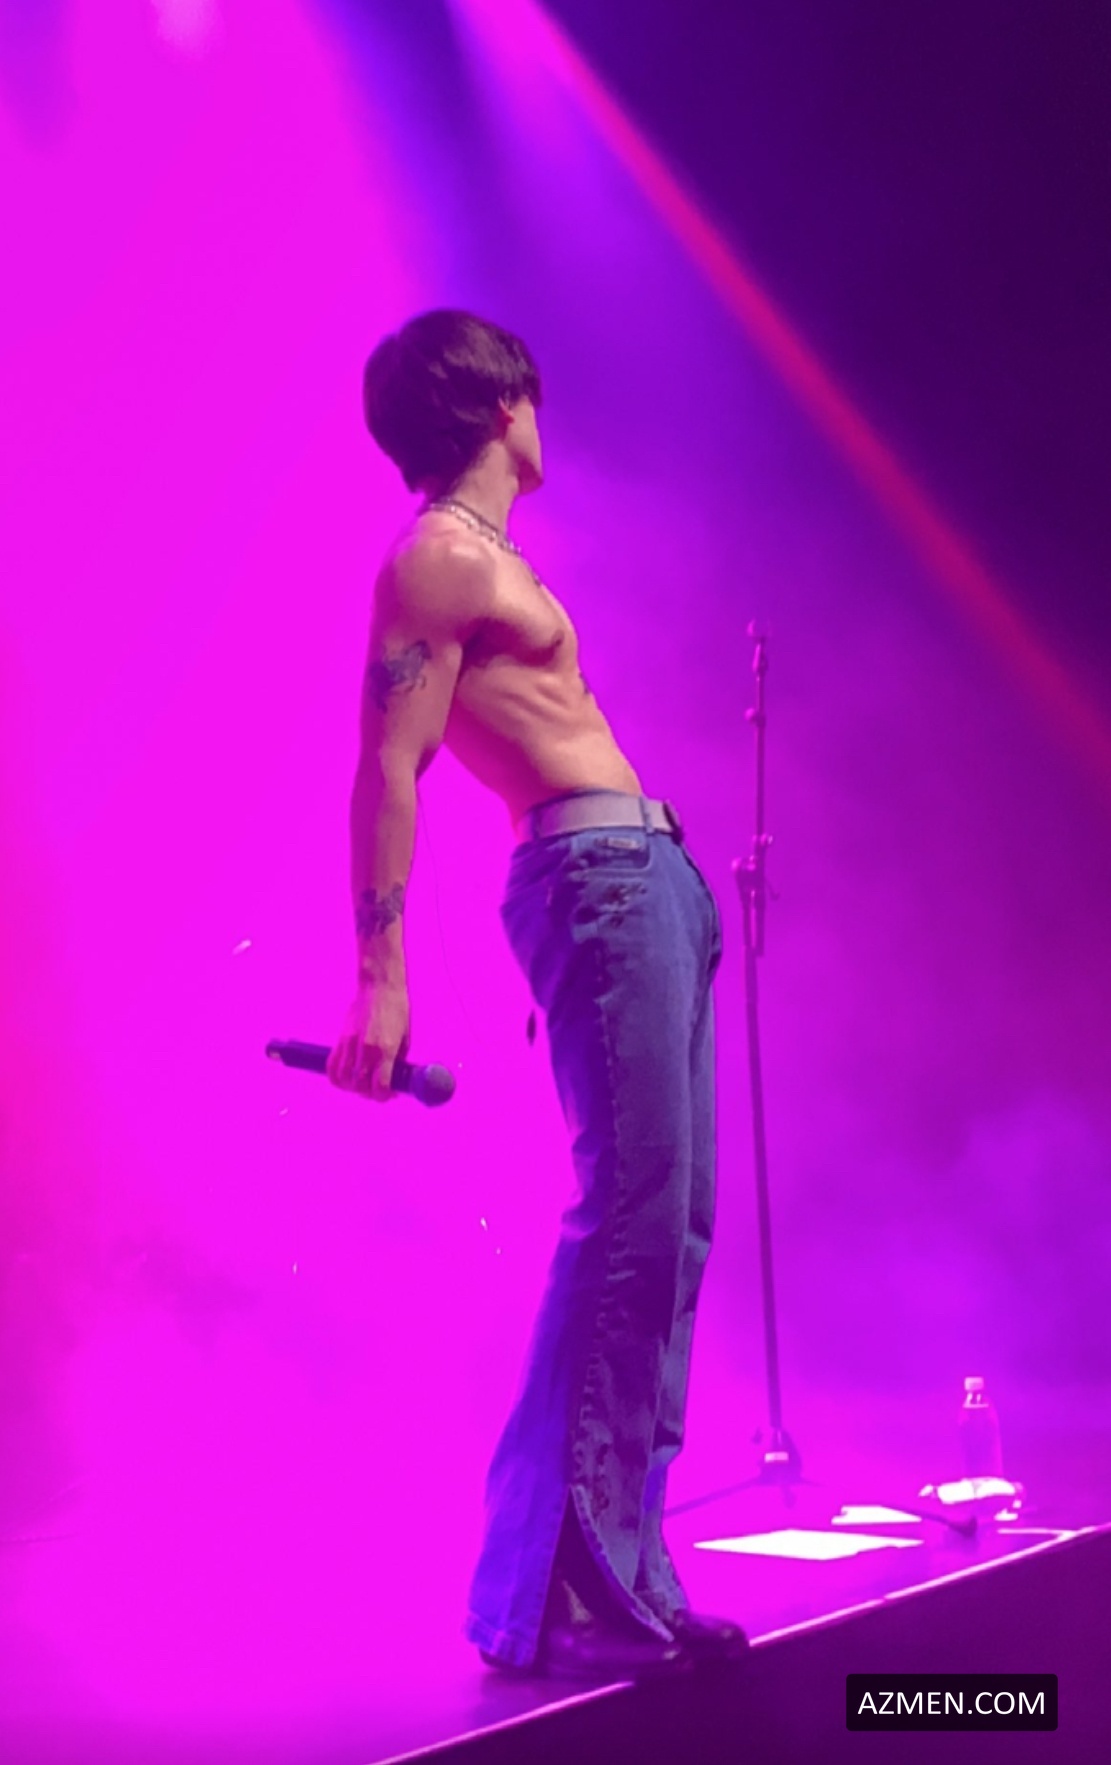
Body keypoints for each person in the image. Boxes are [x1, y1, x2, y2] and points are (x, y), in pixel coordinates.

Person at [327, 310, 745, 1681]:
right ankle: (565, 1586)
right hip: (597, 880)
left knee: (665, 1229)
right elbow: (388, 768)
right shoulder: (437, 559)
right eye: (533, 395)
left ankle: (608, 1571)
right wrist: (380, 976)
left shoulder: (483, 559)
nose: (542, 416)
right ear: (501, 403)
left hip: (642, 876)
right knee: (628, 1222)